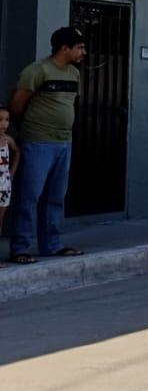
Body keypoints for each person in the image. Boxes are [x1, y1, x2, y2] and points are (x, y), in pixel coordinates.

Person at [8, 26, 86, 264]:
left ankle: (51, 245)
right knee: (29, 196)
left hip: (64, 143)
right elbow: (16, 105)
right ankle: (20, 247)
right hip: (38, 142)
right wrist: (29, 131)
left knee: (55, 197)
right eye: (80, 47)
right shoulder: (37, 71)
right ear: (65, 48)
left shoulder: (74, 73)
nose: (84, 52)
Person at [0, 107, 16, 247]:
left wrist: (12, 172)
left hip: (4, 186)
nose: (3, 123)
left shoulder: (8, 140)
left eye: (7, 120)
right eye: (0, 120)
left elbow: (18, 152)